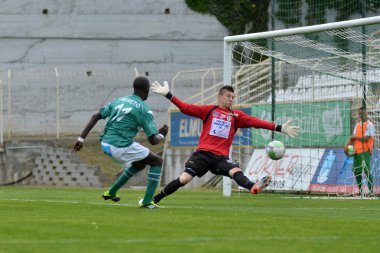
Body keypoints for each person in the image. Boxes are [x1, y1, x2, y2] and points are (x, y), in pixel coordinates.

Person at [150, 81, 300, 205]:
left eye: (233, 97)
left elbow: (257, 122)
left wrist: (279, 128)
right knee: (184, 179)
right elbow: (186, 108)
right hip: (202, 154)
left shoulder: (236, 116)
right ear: (219, 97)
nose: (231, 99)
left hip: (220, 158)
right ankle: (156, 198)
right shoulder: (209, 110)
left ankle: (253, 186)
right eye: (228, 96)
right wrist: (168, 95)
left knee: (235, 171)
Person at [72, 76, 168, 209]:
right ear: (147, 90)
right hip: (119, 146)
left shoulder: (118, 100)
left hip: (105, 143)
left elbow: (96, 116)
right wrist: (162, 134)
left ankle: (111, 192)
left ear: (134, 88)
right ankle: (147, 202)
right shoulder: (144, 109)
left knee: (140, 164)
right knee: (157, 161)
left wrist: (80, 140)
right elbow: (153, 141)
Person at [344, 107, 374, 197]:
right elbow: (353, 138)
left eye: (363, 113)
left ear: (366, 114)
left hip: (365, 150)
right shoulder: (357, 125)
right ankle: (361, 191)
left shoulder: (370, 124)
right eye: (360, 113)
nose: (361, 115)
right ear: (358, 114)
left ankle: (371, 192)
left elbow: (366, 138)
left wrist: (355, 138)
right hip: (357, 151)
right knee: (356, 171)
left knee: (366, 171)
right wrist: (346, 146)